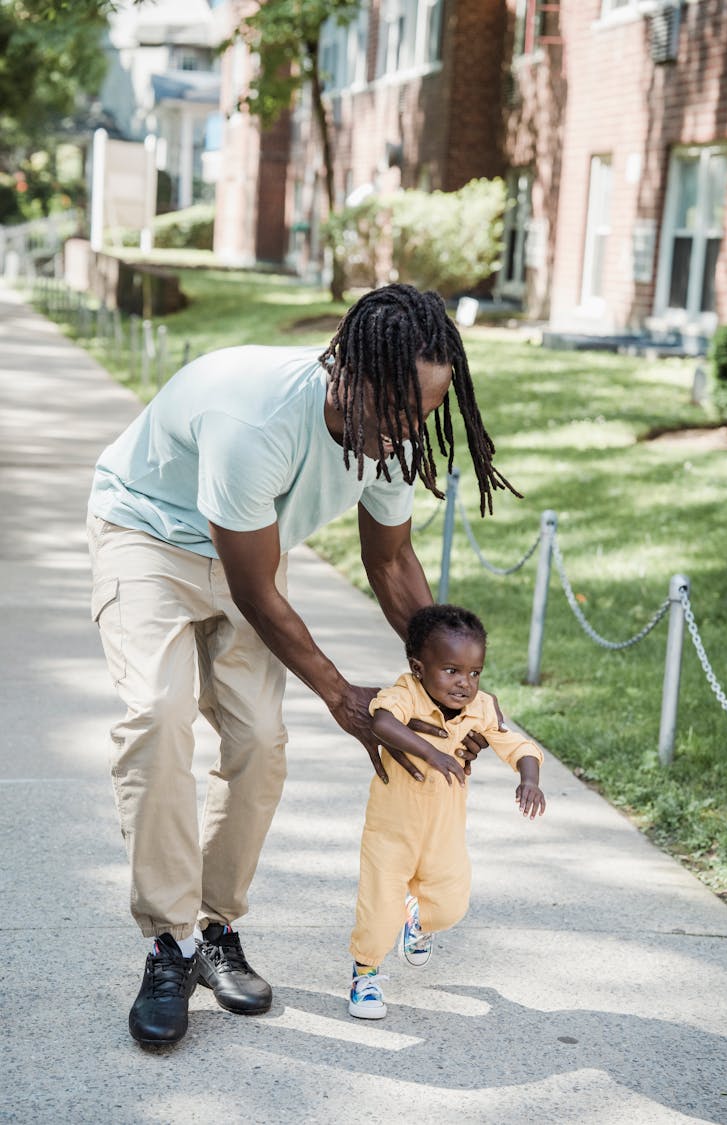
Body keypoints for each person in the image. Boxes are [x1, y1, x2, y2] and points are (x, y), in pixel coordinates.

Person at [87, 283, 520, 1047]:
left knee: (259, 741)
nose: (407, 431)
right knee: (157, 716)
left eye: (424, 412)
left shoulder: (394, 433)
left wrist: (448, 691)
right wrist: (342, 695)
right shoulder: (254, 421)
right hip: (149, 534)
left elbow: (390, 563)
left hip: (251, 545)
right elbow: (253, 588)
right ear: (345, 372)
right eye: (396, 411)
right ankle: (170, 943)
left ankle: (215, 928)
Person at [348, 603, 545, 1020]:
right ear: (419, 667)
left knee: (450, 907)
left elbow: (517, 746)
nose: (465, 684)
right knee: (379, 915)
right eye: (451, 671)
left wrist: (529, 779)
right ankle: (365, 974)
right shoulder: (405, 694)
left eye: (474, 673)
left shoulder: (482, 709)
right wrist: (431, 753)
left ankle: (417, 922)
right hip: (391, 833)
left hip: (444, 836)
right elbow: (383, 723)